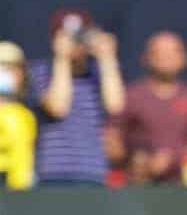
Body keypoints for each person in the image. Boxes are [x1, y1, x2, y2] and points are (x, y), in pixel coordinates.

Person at [27, 10, 126, 185]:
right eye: (68, 36)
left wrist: (107, 58)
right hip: (53, 174)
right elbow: (58, 107)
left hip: (93, 174)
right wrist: (62, 59)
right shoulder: (40, 72)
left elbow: (115, 106)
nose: (75, 43)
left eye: (80, 36)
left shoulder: (99, 74)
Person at [114, 32, 187, 185]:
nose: (166, 57)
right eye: (159, 52)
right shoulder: (131, 96)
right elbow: (112, 141)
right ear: (146, 58)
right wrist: (138, 162)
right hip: (138, 186)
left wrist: (177, 160)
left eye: (173, 52)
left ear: (184, 59)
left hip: (182, 188)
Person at [0, 41, 37, 189]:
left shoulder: (23, 116)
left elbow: (22, 165)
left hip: (14, 194)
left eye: (12, 69)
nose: (6, 74)